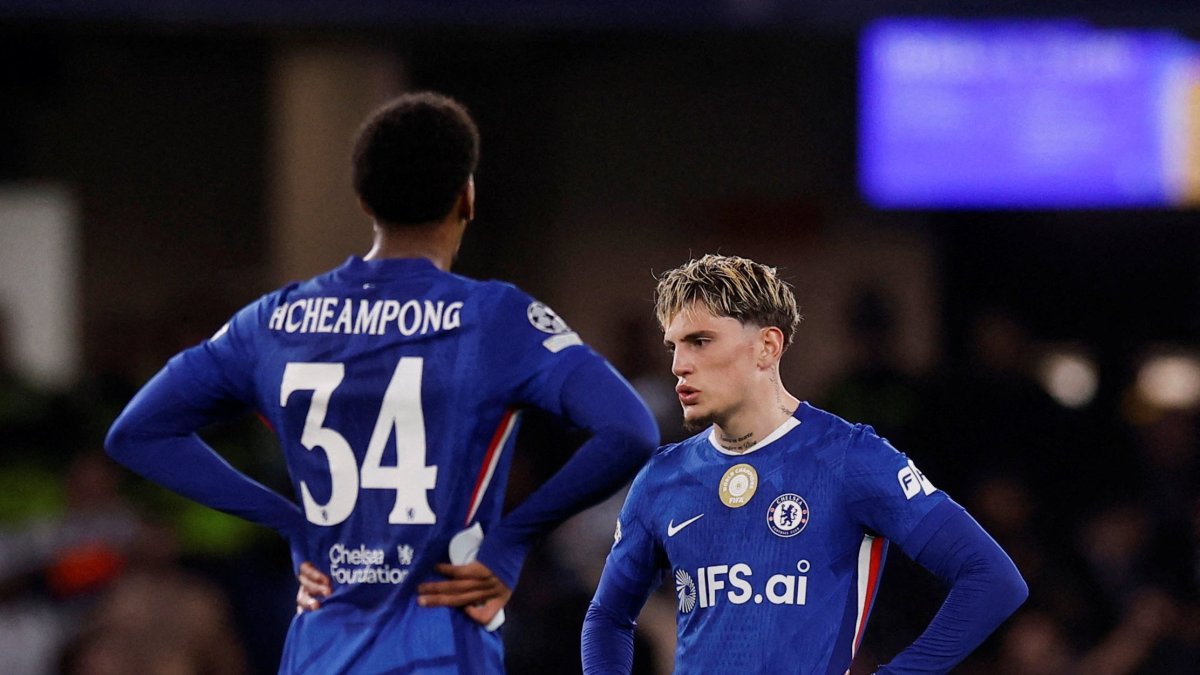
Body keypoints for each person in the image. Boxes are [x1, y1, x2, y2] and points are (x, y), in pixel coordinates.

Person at [105, 91, 658, 673]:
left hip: (320, 648)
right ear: (467, 197)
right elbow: (629, 429)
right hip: (441, 645)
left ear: (362, 198)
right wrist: (511, 541)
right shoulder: (495, 319)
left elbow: (137, 433)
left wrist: (289, 520)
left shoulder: (273, 320)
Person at [580, 254, 1028, 674]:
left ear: (767, 347)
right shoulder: (662, 478)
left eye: (700, 341)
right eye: (674, 346)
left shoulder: (849, 458)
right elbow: (607, 616)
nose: (679, 364)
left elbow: (992, 579)